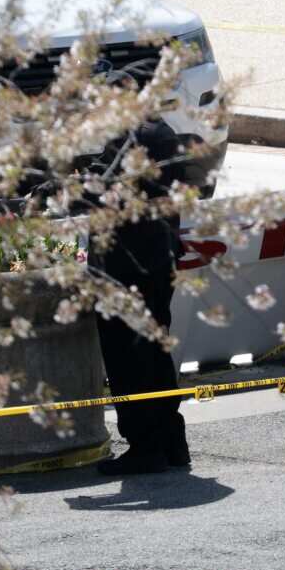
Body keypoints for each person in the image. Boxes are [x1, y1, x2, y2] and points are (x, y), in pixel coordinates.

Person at [88, 120, 189, 475]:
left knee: (128, 360)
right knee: (155, 354)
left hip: (126, 269)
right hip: (157, 261)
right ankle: (172, 443)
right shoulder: (162, 131)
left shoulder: (130, 135)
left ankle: (145, 447)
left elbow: (105, 191)